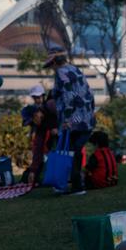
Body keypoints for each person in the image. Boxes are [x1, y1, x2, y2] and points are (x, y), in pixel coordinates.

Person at [45, 47, 95, 195]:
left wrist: (67, 120)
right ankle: (75, 185)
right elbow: (88, 93)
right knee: (76, 152)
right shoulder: (75, 69)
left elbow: (67, 97)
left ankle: (74, 186)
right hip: (86, 119)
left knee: (70, 153)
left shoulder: (61, 73)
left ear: (54, 62)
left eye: (51, 65)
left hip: (73, 121)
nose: (51, 68)